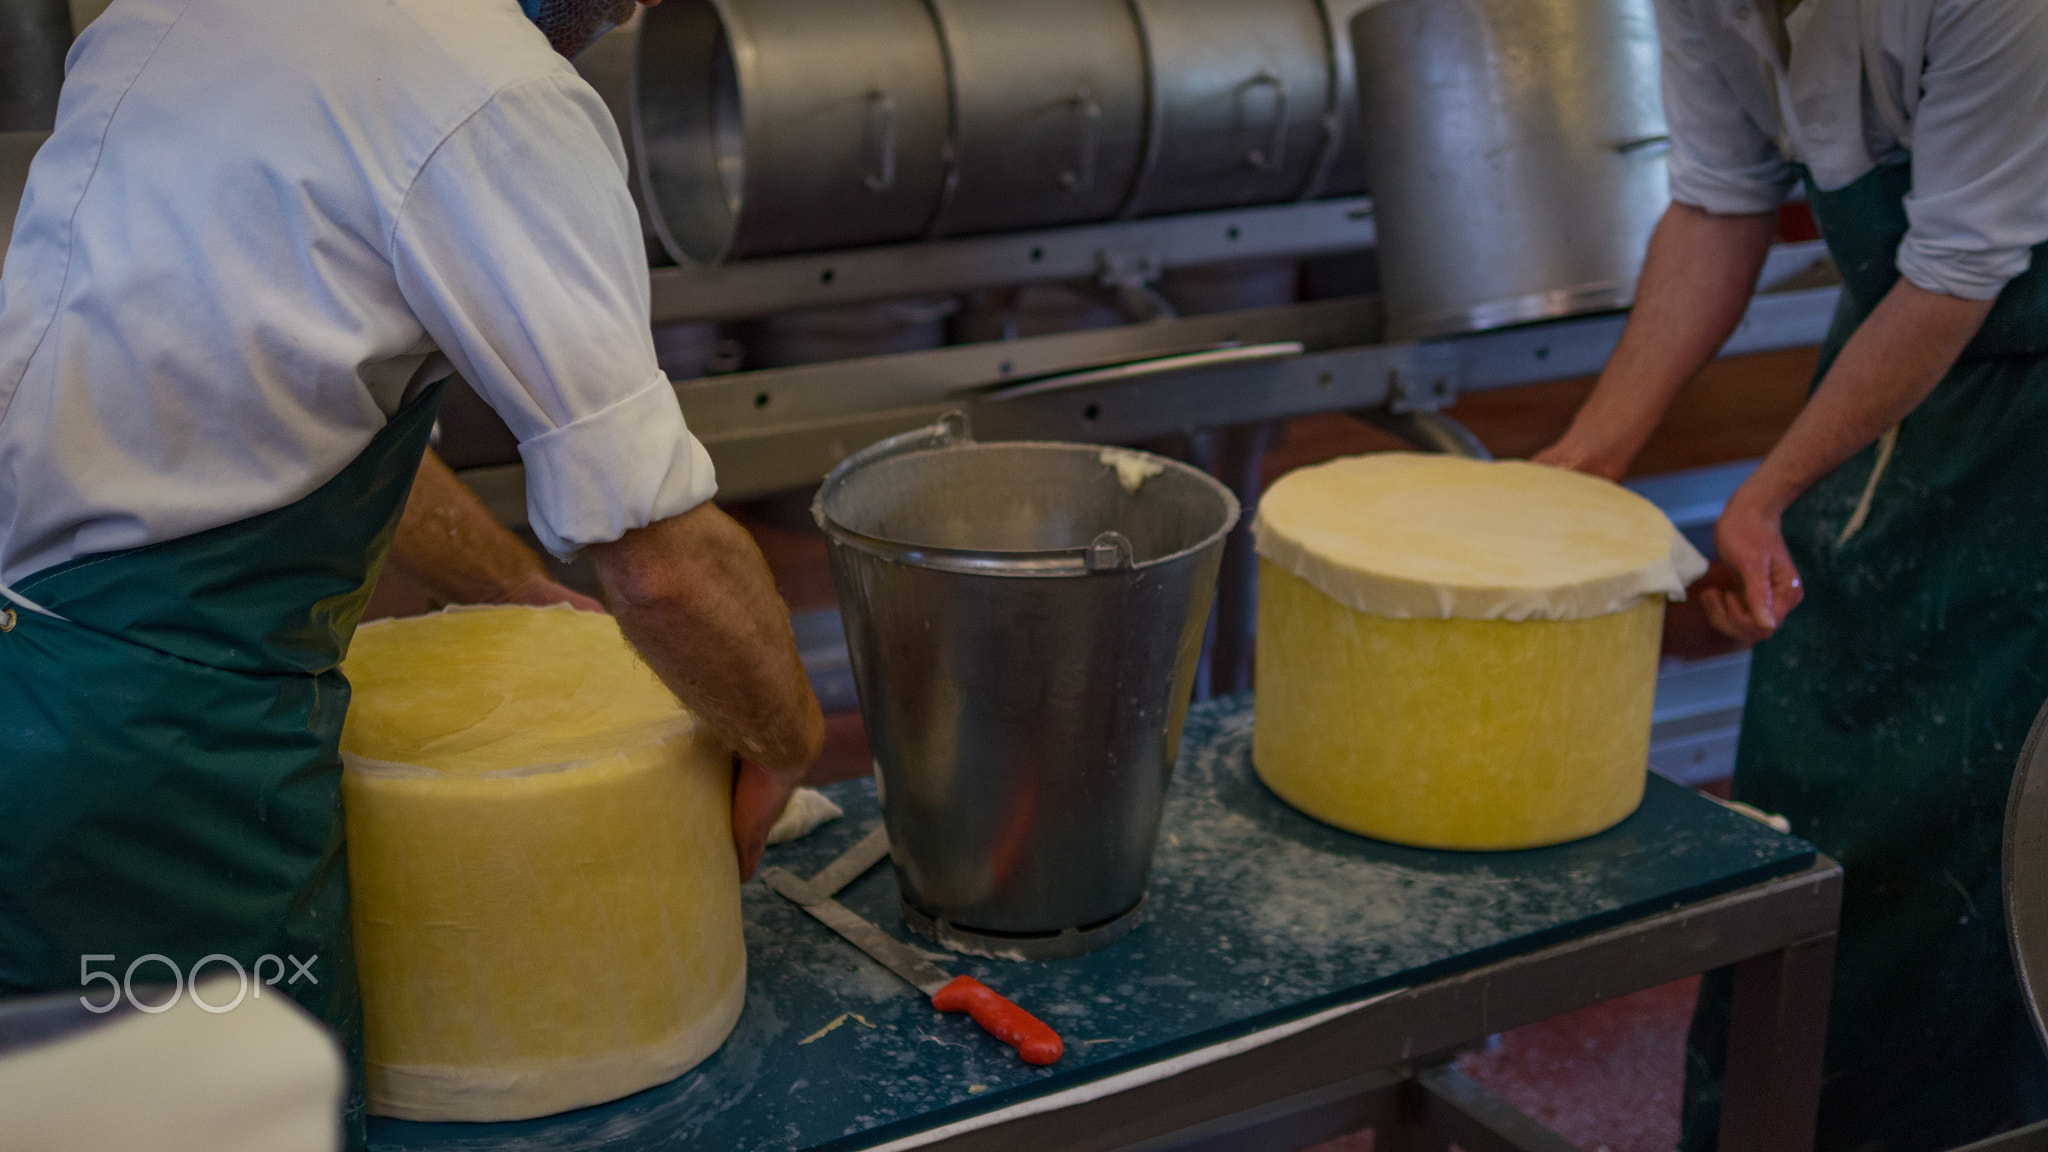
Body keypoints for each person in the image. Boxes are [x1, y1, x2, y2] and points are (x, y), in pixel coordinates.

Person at [0, 0, 824, 1144]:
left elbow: (283, 403)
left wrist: (507, 587)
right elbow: (663, 568)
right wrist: (784, 733)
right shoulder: (493, 95)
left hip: (36, 706)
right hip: (155, 768)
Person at [1536, 0, 2048, 1146]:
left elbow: (1960, 269)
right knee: (1801, 786)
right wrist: (1587, 455)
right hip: (1907, 354)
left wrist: (1764, 494)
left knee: (1980, 829)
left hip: (2017, 395)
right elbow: (1719, 202)